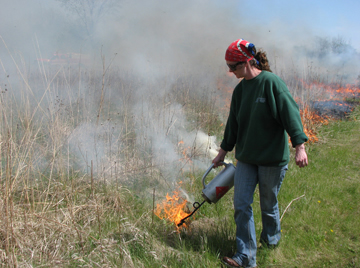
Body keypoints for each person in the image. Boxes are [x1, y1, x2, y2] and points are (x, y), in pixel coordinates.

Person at [212, 39, 308, 268]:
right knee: (241, 204)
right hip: (246, 159)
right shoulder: (240, 91)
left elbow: (290, 115)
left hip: (272, 160)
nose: (230, 70)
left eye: (233, 66)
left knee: (268, 203)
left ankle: (271, 239)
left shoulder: (271, 83)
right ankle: (245, 256)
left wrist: (300, 147)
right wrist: (222, 152)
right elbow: (232, 126)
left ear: (246, 62)